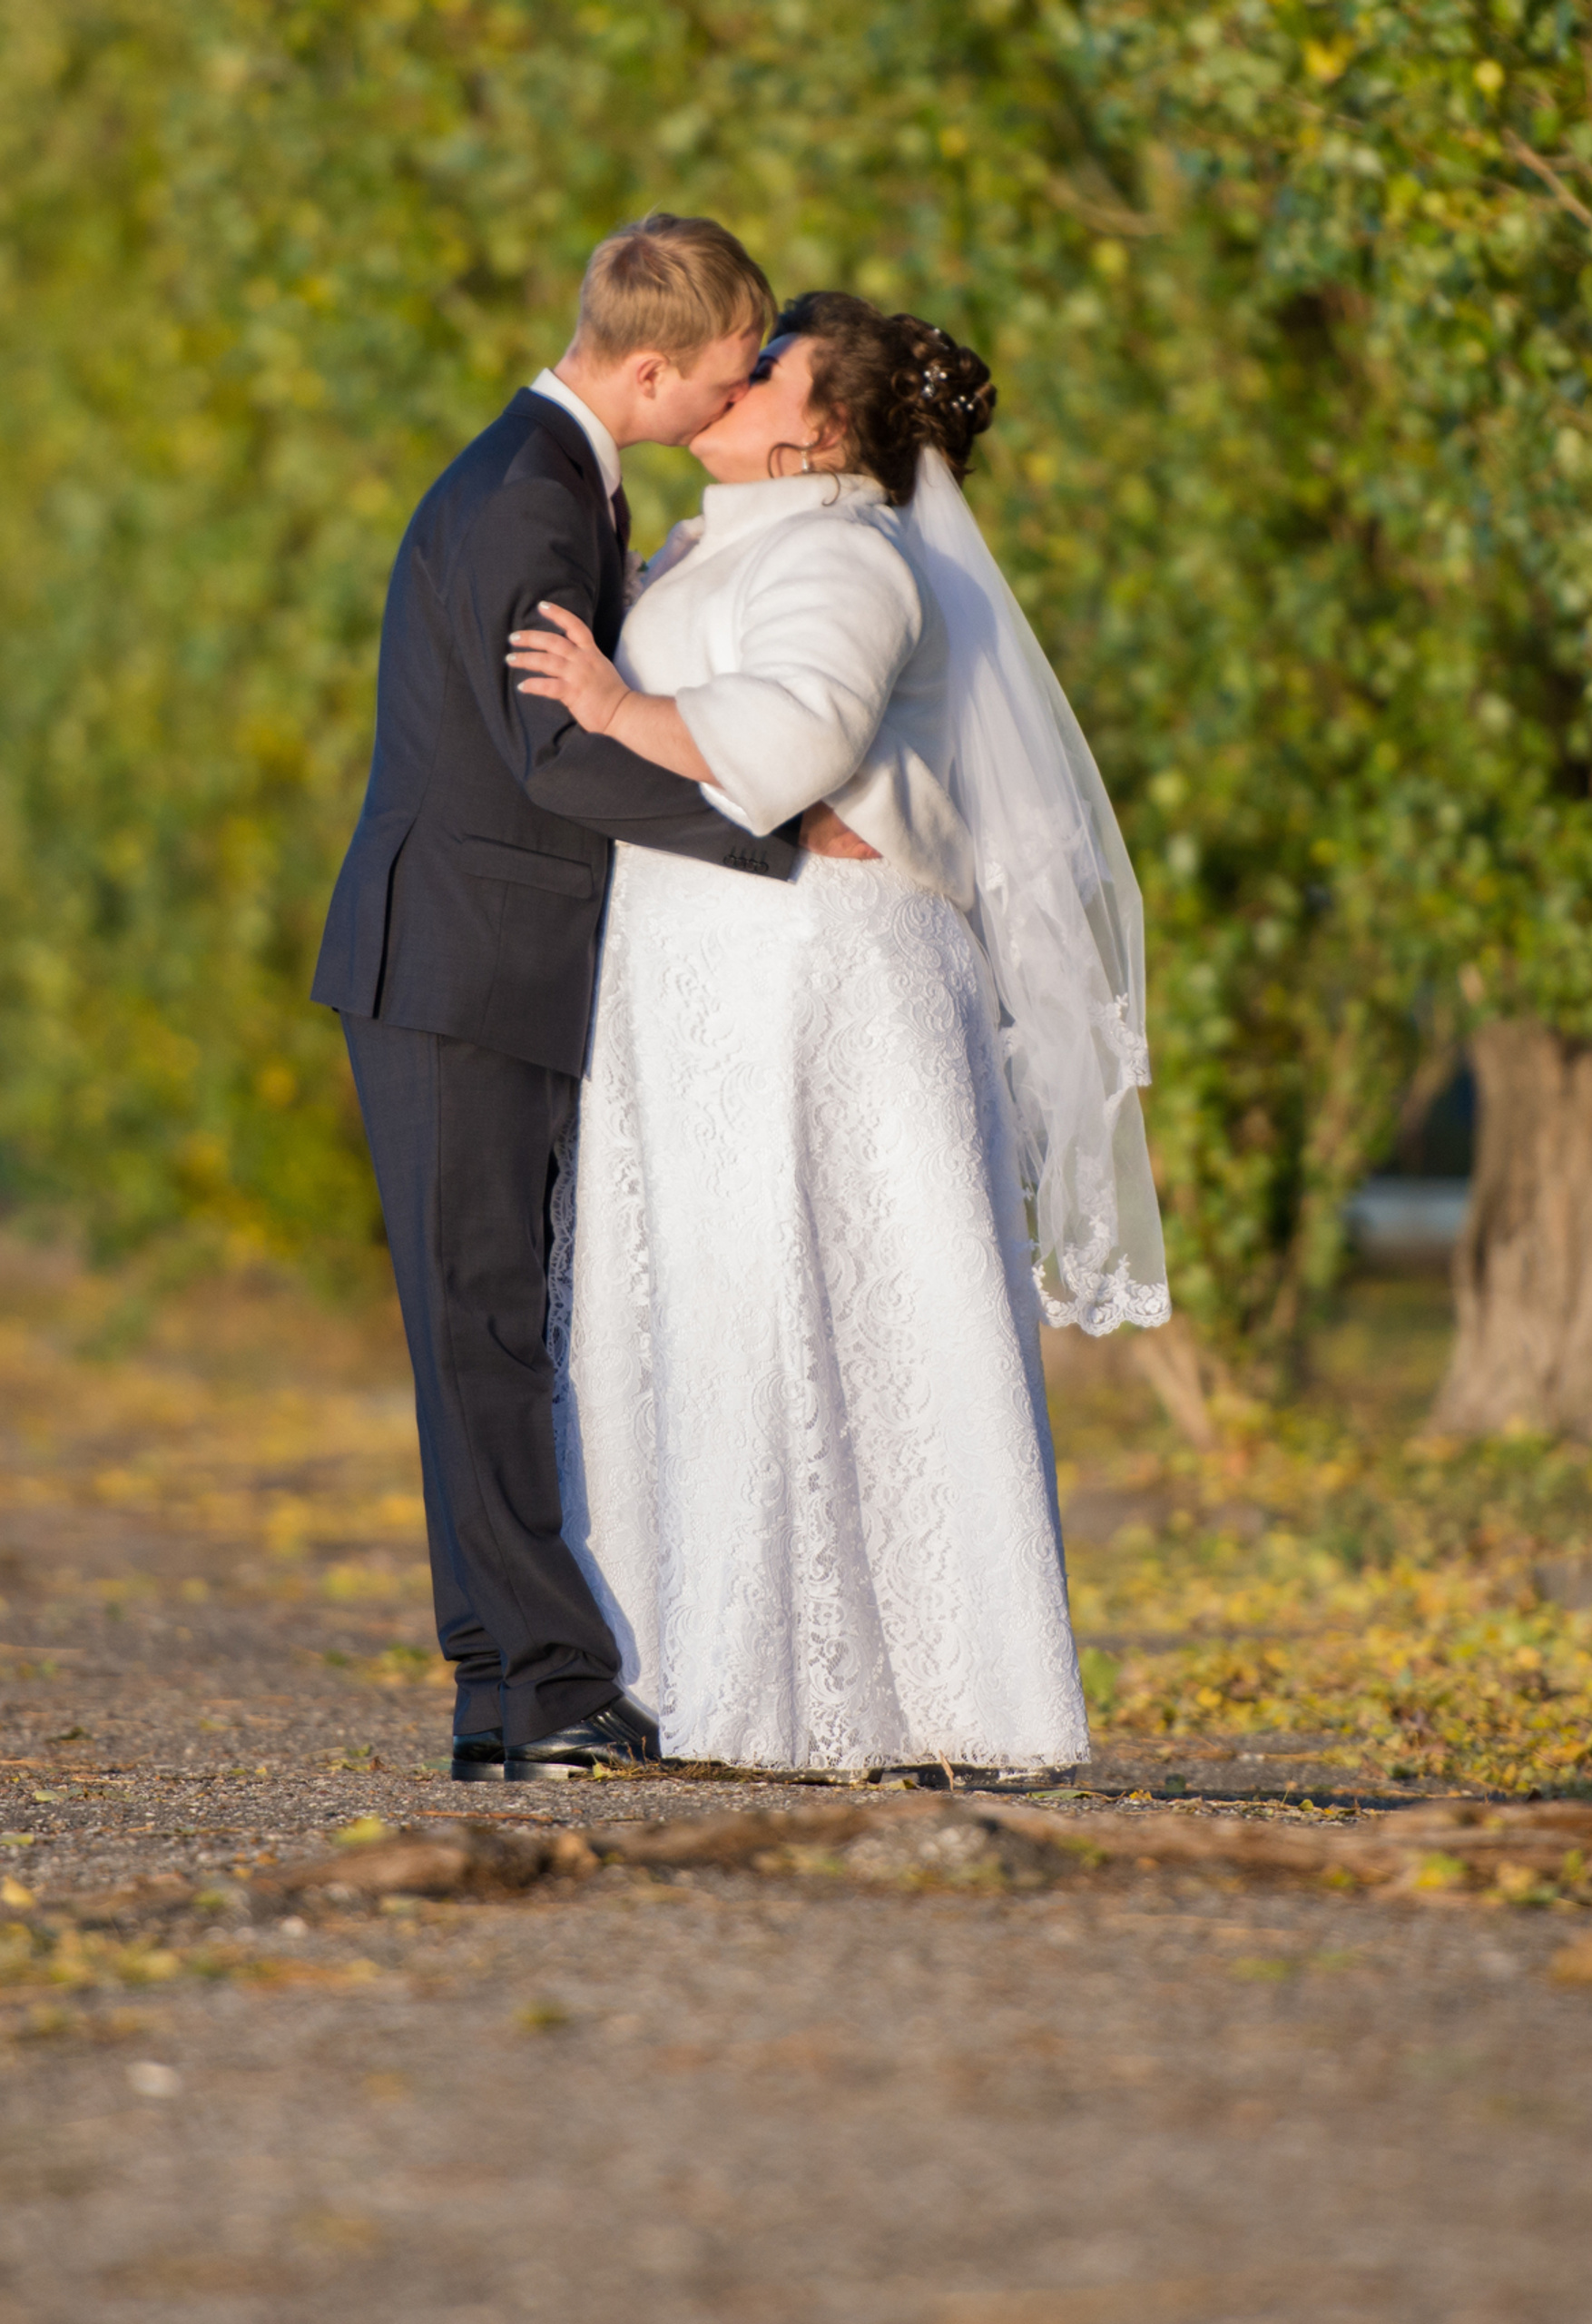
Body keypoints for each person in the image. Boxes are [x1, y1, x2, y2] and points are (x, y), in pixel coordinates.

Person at [506, 292, 1169, 1779]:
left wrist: (615, 706)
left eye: (769, 367)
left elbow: (798, 737)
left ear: (823, 430)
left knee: (827, 1306)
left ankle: (924, 1696)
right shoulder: (728, 535)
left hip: (817, 979)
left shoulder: (845, 552)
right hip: (718, 967)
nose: (735, 380)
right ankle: (717, 1668)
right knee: (725, 1304)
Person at [310, 215, 792, 1782]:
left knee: (488, 1329)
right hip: (453, 965)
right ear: (648, 366)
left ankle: (505, 1697)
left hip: (474, 960)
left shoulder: (555, 472)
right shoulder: (526, 494)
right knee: (485, 1331)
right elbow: (551, 755)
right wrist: (768, 841)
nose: (740, 398)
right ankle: (551, 1681)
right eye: (729, 375)